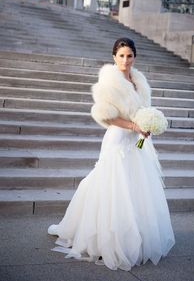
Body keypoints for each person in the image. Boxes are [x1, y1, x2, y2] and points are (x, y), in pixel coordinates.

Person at [48, 38, 175, 271]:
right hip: (118, 138)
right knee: (113, 185)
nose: (125, 60)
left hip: (136, 141)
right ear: (114, 57)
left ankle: (137, 235)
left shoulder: (139, 81)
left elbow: (142, 111)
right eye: (121, 56)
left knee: (137, 186)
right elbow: (107, 117)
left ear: (135, 57)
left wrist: (146, 127)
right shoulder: (109, 82)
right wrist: (134, 126)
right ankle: (107, 238)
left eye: (129, 56)